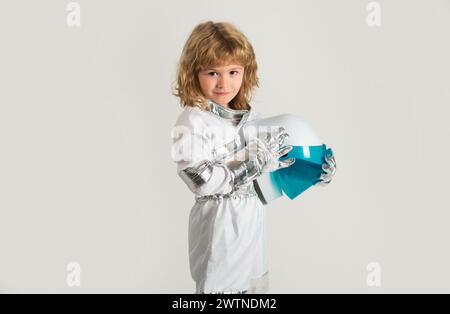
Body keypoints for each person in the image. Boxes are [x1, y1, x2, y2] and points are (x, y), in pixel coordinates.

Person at [170, 21, 335, 294]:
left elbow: (275, 173)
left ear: (245, 73)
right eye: (213, 72)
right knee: (220, 290)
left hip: (252, 223)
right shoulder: (192, 121)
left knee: (254, 289)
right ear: (194, 73)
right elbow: (200, 180)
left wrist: (314, 172)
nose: (224, 82)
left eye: (233, 72)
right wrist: (250, 165)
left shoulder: (253, 119)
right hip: (218, 225)